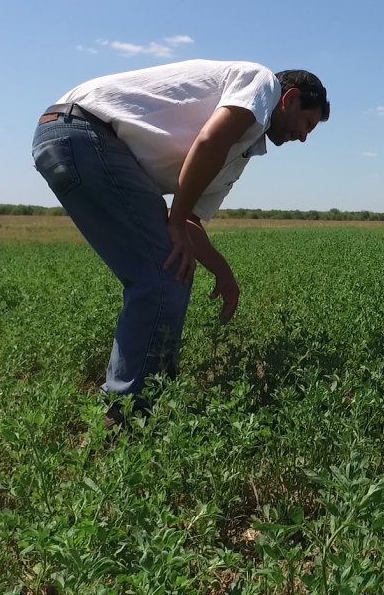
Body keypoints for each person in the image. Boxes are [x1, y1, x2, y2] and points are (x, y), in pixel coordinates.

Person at [31, 59, 330, 425]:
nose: (304, 136)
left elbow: (190, 221)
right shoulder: (261, 82)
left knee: (172, 266)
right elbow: (210, 140)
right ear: (291, 99)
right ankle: (125, 416)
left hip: (72, 140)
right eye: (308, 124)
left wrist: (224, 274)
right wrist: (173, 223)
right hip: (84, 131)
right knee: (163, 271)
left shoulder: (240, 152)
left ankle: (155, 396)